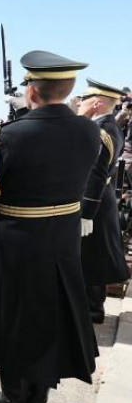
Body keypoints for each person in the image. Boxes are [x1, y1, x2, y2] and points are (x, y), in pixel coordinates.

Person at [0, 50, 99, 403]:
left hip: (17, 246)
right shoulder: (89, 130)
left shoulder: (10, 135)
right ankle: (36, 402)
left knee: (13, 320)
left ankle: (15, 399)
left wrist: (14, 126)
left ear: (31, 91)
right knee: (49, 319)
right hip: (62, 243)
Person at [77, 79, 130, 323]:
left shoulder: (103, 130)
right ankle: (90, 308)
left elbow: (96, 173)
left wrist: (86, 212)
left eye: (84, 99)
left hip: (94, 201)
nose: (79, 103)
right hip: (98, 199)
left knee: (91, 256)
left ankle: (91, 310)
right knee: (91, 254)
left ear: (97, 103)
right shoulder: (104, 126)